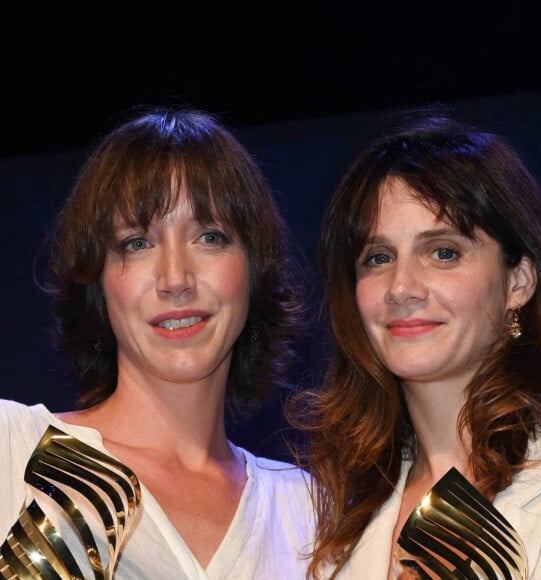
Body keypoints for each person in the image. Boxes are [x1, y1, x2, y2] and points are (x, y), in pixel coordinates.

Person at [0, 106, 316, 578]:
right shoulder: (12, 447)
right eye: (137, 243)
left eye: (210, 236)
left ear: (253, 270)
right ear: (98, 281)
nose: (175, 279)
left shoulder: (310, 513)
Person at [289, 112, 541, 578]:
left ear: (519, 282)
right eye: (378, 258)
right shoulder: (338, 538)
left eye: (443, 252)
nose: (401, 287)